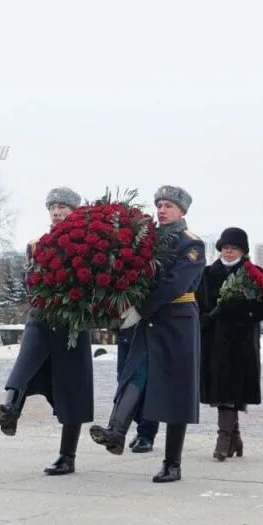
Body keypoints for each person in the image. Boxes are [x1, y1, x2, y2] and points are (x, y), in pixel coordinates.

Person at [90, 186, 206, 483]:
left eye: (168, 205)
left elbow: (174, 283)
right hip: (148, 321)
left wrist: (140, 308)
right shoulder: (146, 240)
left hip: (177, 322)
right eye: (159, 204)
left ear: (182, 211)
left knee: (177, 391)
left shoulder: (191, 244)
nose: (162, 209)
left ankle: (173, 463)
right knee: (135, 373)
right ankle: (116, 431)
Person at [0, 187, 94, 476]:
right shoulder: (37, 244)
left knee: (72, 388)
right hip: (41, 315)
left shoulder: (89, 243)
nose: (57, 212)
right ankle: (9, 412)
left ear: (75, 211)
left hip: (71, 322)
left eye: (63, 207)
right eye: (53, 207)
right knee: (24, 364)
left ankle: (67, 456)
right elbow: (30, 281)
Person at [195, 227, 263, 460]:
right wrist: (205, 319)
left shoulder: (253, 272)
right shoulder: (207, 273)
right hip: (215, 341)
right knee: (222, 390)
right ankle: (234, 438)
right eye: (225, 248)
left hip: (241, 343)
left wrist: (243, 312)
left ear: (243, 250)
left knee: (230, 391)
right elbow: (198, 303)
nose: (228, 252)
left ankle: (223, 440)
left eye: (234, 248)